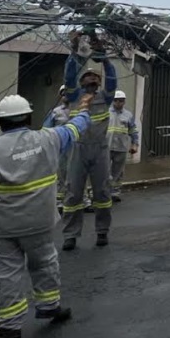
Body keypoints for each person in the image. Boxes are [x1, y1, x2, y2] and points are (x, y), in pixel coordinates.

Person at [0, 93, 91, 338]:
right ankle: (49, 307)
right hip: (40, 222)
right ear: (28, 117)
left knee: (6, 273)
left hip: (2, 226)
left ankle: (10, 325)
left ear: (0, 122)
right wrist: (83, 109)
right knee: (44, 263)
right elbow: (75, 128)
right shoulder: (49, 139)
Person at [62, 33, 117, 251]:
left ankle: (102, 231)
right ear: (82, 82)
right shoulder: (75, 97)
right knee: (73, 193)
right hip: (78, 149)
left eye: (96, 77)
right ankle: (70, 235)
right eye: (88, 77)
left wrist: (103, 59)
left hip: (101, 150)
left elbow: (112, 77)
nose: (92, 79)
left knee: (102, 193)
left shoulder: (107, 97)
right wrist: (75, 52)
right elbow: (69, 76)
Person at [108, 90, 139, 201]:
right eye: (116, 101)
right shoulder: (106, 113)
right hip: (107, 146)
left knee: (118, 171)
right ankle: (102, 192)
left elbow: (133, 130)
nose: (119, 103)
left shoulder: (128, 115)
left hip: (121, 147)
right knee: (104, 171)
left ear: (124, 102)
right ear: (113, 101)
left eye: (121, 101)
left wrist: (135, 144)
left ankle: (114, 192)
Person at [43, 85, 72, 205]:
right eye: (63, 93)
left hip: (77, 147)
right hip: (60, 148)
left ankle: (82, 200)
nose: (66, 95)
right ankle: (60, 201)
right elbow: (46, 130)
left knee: (79, 175)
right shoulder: (55, 112)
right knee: (61, 174)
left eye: (68, 93)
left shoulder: (80, 110)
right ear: (60, 96)